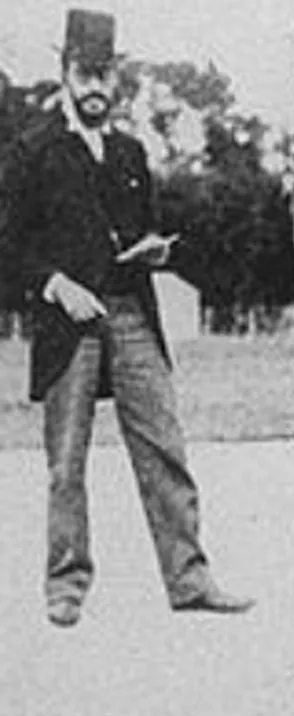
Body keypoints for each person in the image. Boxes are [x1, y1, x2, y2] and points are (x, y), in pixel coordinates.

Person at [0, 9, 255, 627]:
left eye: (106, 76)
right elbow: (8, 243)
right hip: (70, 324)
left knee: (164, 444)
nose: (96, 87)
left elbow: (140, 228)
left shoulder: (131, 151)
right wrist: (56, 285)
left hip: (133, 312)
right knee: (66, 460)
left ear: (117, 81)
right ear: (64, 72)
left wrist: (156, 250)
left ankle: (190, 579)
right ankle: (65, 585)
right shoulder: (32, 151)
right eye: (85, 74)